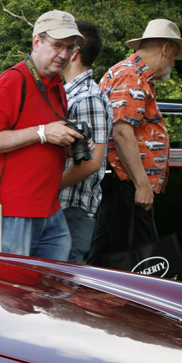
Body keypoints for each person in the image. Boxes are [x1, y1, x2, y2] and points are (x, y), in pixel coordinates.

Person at [0, 10, 84, 260]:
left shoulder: (57, 85)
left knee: (52, 284)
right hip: (13, 212)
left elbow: (42, 143)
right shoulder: (13, 80)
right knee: (12, 284)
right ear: (37, 42)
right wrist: (42, 132)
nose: (64, 55)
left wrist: (67, 141)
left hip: (50, 209)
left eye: (70, 48)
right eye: (57, 45)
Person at [86, 19, 182, 266]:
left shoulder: (131, 74)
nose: (173, 63)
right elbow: (122, 132)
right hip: (126, 184)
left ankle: (87, 288)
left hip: (122, 184)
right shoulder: (131, 75)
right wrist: (142, 184)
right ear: (165, 49)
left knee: (107, 256)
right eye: (173, 56)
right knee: (142, 260)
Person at [57, 20, 113, 263]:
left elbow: (91, 162)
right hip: (63, 208)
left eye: (63, 46)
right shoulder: (70, 92)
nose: (58, 53)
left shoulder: (88, 98)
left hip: (72, 209)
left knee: (60, 280)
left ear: (74, 52)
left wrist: (46, 185)